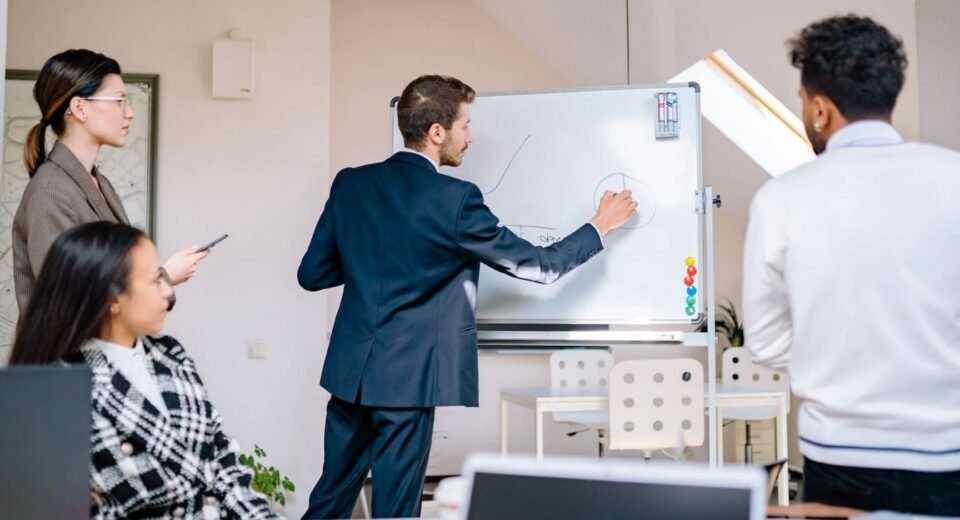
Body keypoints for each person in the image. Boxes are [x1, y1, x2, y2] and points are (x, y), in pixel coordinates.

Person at [297, 75, 636, 518]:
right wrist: (599, 226)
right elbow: (540, 266)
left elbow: (312, 274)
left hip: (350, 376)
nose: (470, 137)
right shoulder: (454, 200)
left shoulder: (350, 184)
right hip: (407, 382)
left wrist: (371, 257)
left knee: (328, 503)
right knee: (395, 511)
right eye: (465, 125)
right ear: (437, 132)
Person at [742, 15, 960, 516]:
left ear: (821, 109)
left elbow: (766, 342)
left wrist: (835, 359)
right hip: (948, 457)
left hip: (838, 461)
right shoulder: (954, 177)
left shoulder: (781, 199)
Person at [9, 221, 279, 519]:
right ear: (113, 299)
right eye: (155, 279)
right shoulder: (61, 391)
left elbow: (222, 457)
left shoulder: (171, 355)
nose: (168, 291)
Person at [13, 48, 206, 311]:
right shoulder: (50, 192)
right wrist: (164, 277)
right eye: (119, 101)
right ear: (79, 108)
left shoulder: (98, 182)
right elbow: (70, 301)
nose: (130, 113)